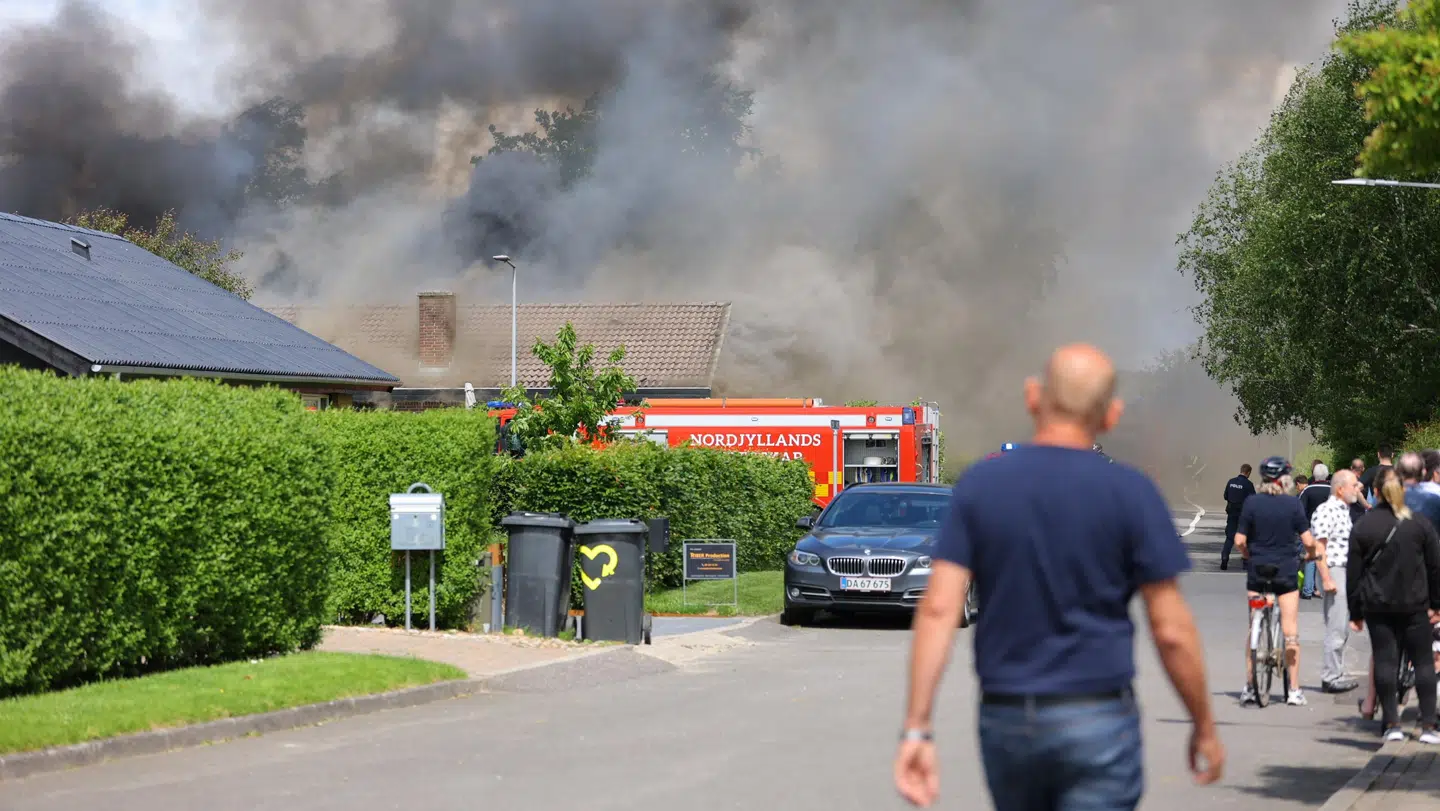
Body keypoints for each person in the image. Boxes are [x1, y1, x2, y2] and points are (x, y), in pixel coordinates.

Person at [894, 344, 1222, 810]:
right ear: (1111, 415)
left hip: (1008, 716)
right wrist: (1203, 724)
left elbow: (940, 609)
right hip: (1099, 715)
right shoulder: (1131, 493)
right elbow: (1171, 630)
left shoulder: (980, 487)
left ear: (1033, 398)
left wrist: (916, 728)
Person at [1348, 466, 1440, 743]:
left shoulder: (1364, 526)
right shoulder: (1419, 523)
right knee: (1423, 662)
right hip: (1416, 605)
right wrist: (1436, 604)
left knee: (1385, 662)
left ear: (1374, 492)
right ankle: (1429, 726)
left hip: (1379, 606)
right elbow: (1435, 567)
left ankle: (1392, 724)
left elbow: (1353, 574)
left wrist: (1355, 611)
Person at [1234, 456, 1317, 707]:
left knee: (1253, 627)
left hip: (1258, 573)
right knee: (1290, 631)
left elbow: (1239, 540)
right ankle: (1293, 689)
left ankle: (1250, 686)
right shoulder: (1292, 505)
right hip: (1285, 573)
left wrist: (1249, 555)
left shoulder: (1252, 503)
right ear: (1286, 479)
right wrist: (1311, 555)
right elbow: (1308, 541)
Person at [1312, 469, 1361, 693]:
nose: (1358, 488)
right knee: (1336, 626)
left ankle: (1337, 671)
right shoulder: (1327, 510)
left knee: (1341, 626)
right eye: (1354, 485)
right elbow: (1319, 547)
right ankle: (1331, 676)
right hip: (1334, 571)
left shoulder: (1342, 510)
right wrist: (1326, 577)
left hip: (1344, 571)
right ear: (1340, 489)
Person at [1300, 464, 1333, 599]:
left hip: (1312, 528)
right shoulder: (1334, 490)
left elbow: (1300, 511)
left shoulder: (1308, 490)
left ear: (1314, 475)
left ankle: (1308, 590)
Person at [1221, 464, 1256, 571]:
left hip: (1232, 514)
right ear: (1248, 472)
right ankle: (1246, 564)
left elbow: (1225, 496)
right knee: (1247, 539)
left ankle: (1224, 558)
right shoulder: (1249, 484)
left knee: (1230, 538)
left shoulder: (1231, 482)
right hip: (1244, 516)